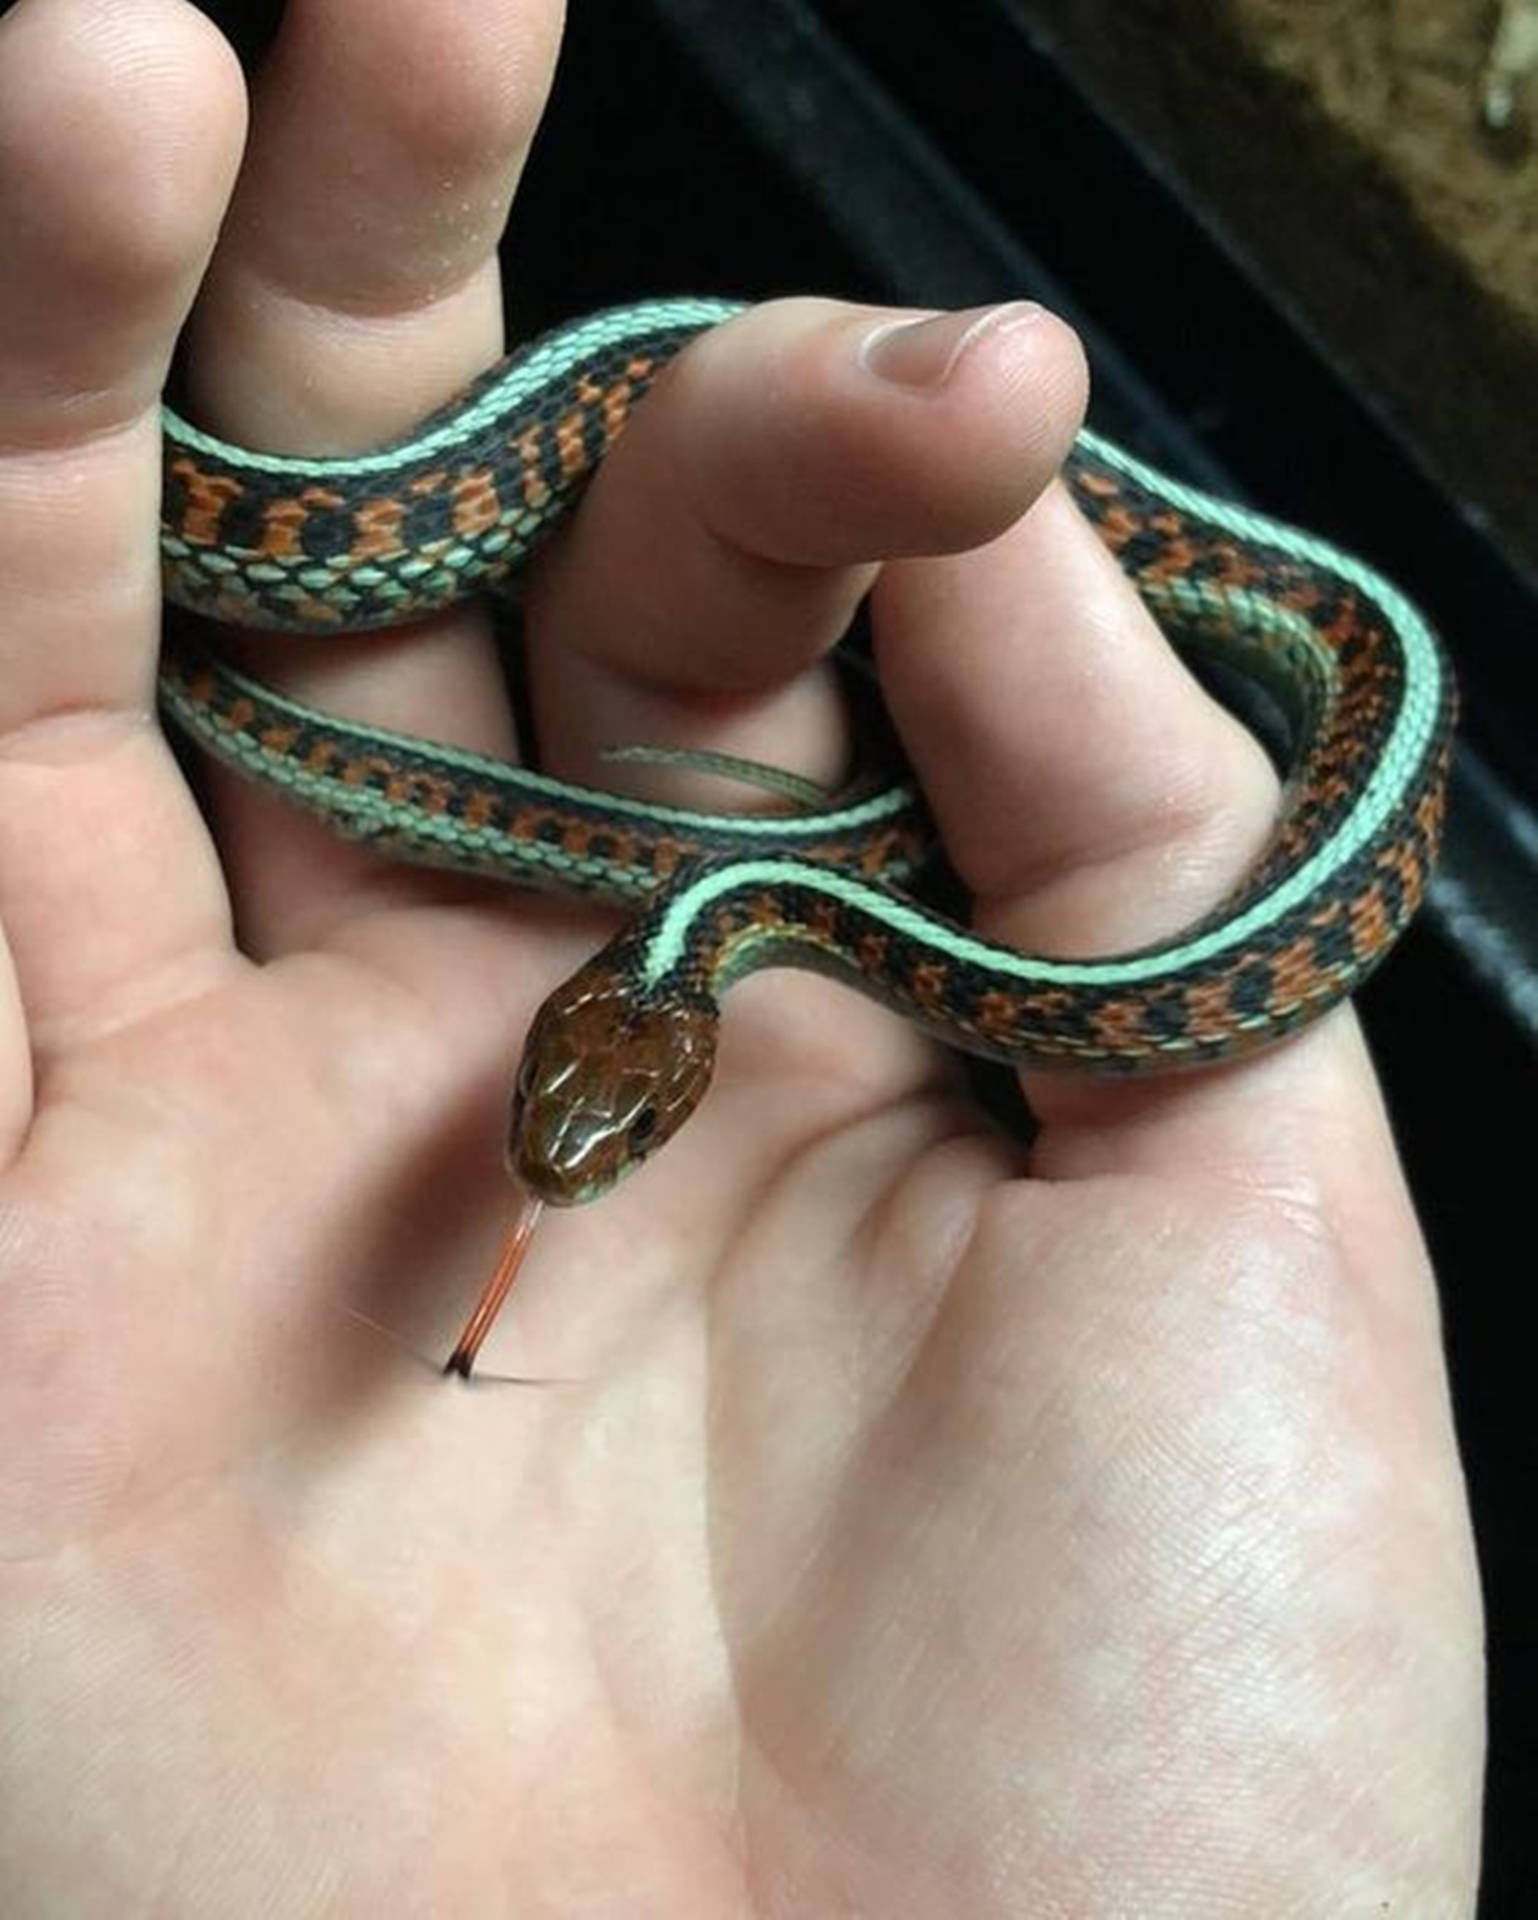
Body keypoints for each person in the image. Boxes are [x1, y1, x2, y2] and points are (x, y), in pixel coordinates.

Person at [0, 0, 1483, 1910]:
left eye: (598, 1137)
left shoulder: (795, 918)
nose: (565, 1154)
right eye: (585, 1125)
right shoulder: (741, 924)